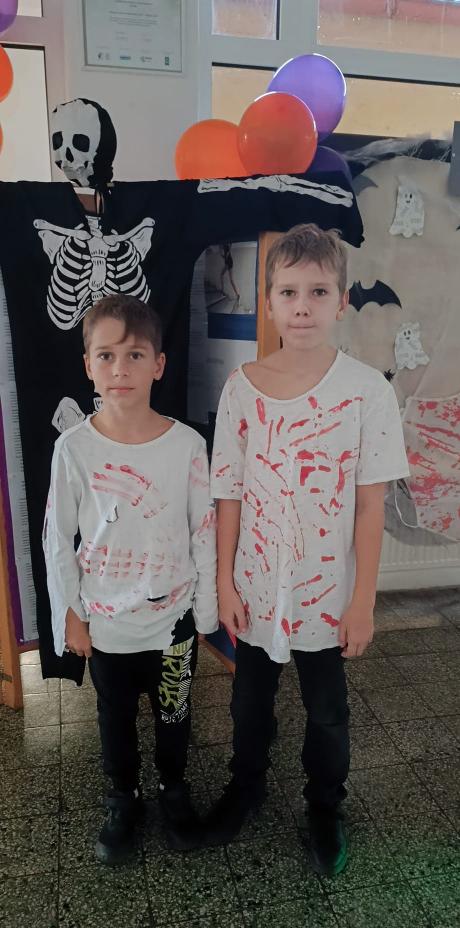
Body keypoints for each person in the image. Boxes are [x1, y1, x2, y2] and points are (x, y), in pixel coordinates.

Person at [206, 223, 409, 877]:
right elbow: (229, 494)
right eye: (289, 292)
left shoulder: (366, 392)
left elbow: (370, 507)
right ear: (268, 302)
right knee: (248, 703)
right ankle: (246, 788)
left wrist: (363, 602)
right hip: (255, 587)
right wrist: (225, 584)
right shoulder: (241, 388)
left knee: (327, 712)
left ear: (341, 301)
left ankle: (325, 805)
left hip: (327, 594)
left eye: (318, 291)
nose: (302, 306)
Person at [43, 294, 218, 864]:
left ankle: (173, 789)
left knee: (174, 714)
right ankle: (124, 797)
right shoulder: (74, 448)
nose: (121, 369)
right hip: (108, 622)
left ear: (158, 364)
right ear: (88, 365)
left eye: (135, 355)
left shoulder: (187, 446)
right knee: (114, 717)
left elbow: (203, 532)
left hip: (174, 623)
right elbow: (57, 538)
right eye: (107, 355)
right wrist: (70, 613)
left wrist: (206, 612)